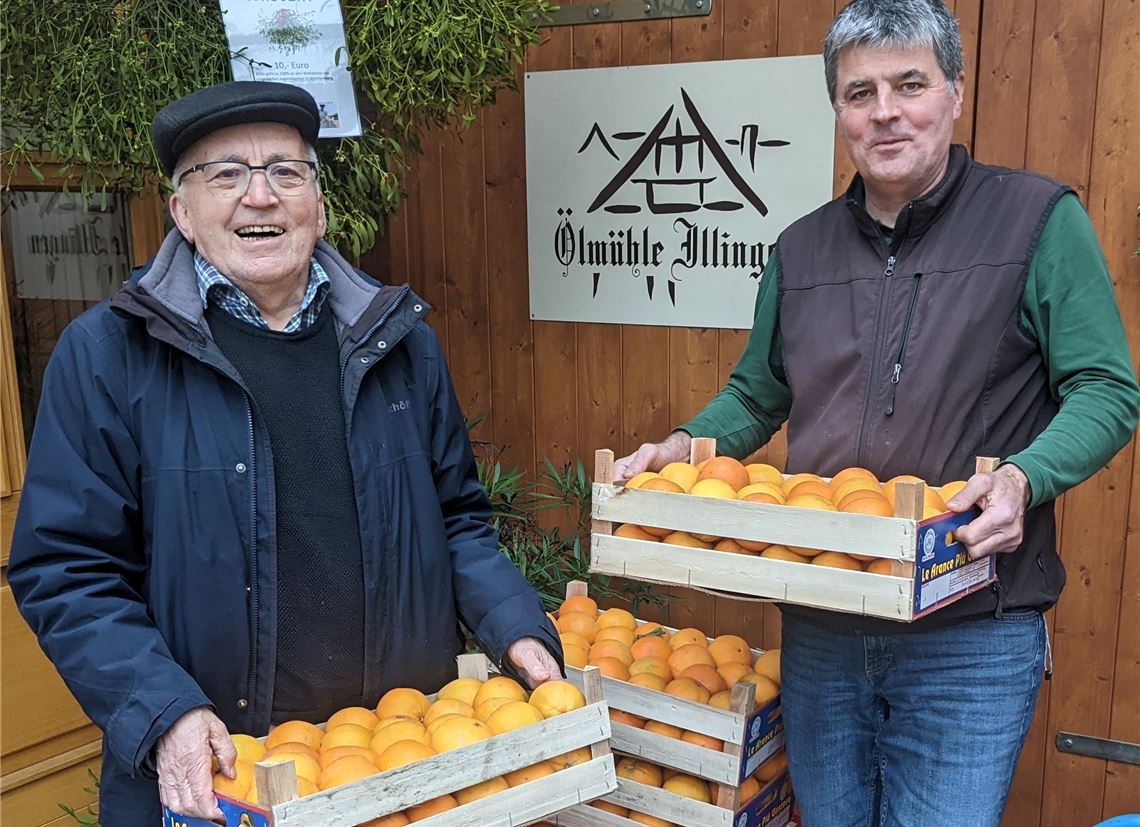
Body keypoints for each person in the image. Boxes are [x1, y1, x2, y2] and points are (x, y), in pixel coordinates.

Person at [614, 1, 1139, 824]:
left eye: (909, 84)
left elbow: (1107, 389)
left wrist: (1023, 480)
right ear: (838, 110)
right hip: (824, 622)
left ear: (956, 92)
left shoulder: (1038, 221)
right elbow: (758, 391)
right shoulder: (802, 249)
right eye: (860, 93)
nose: (885, 111)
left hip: (970, 627)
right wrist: (684, 445)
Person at [7, 81, 563, 824]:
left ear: (319, 203)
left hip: (403, 769)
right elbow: (65, 568)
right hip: (224, 786)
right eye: (227, 173)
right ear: (183, 211)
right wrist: (164, 712)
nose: (260, 196)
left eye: (286, 172)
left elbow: (458, 516)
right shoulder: (108, 357)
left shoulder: (399, 345)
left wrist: (516, 626)